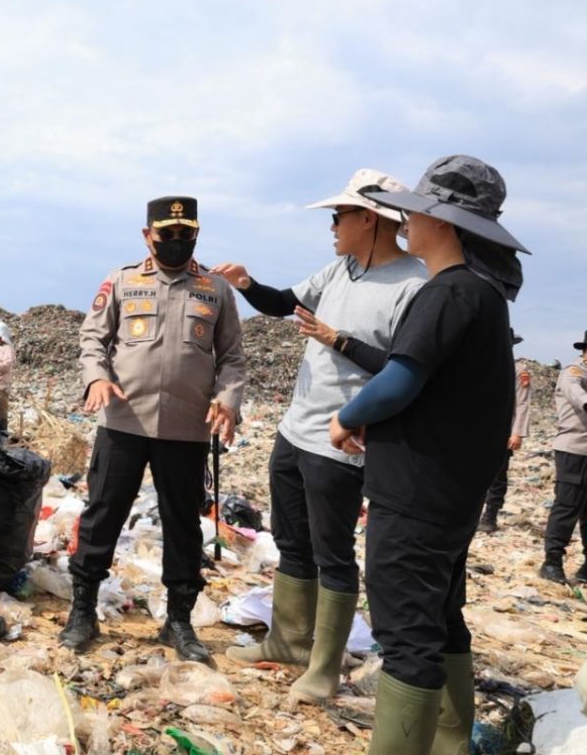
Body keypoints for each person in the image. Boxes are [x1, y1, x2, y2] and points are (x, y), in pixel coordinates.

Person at [328, 156, 527, 754]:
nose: (407, 219)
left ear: (444, 222)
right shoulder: (486, 297)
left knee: (405, 631)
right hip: (451, 494)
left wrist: (346, 418)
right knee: (440, 617)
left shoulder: (447, 293)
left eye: (418, 211)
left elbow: (398, 380)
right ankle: (450, 743)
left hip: (414, 496)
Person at [211, 169, 427, 703]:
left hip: (341, 438)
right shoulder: (342, 269)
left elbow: (407, 367)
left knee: (333, 553)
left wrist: (339, 339)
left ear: (371, 219)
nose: (332, 225)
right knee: (291, 541)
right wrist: (246, 284)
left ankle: (324, 667)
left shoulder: (414, 285)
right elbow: (285, 302)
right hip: (295, 430)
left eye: (340, 215)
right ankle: (286, 642)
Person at [63, 196, 245, 663]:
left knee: (183, 524)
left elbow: (231, 358)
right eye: (168, 235)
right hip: (124, 419)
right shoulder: (122, 281)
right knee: (103, 512)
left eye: (187, 234)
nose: (178, 242)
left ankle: (179, 622)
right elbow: (92, 338)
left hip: (186, 427)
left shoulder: (215, 289)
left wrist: (228, 398)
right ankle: (83, 609)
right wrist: (97, 377)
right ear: (148, 236)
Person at [538, 331, 587, 584]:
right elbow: (582, 400)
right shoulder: (573, 372)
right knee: (567, 506)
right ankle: (552, 562)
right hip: (574, 450)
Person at [479, 329, 531, 534]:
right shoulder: (482, 365)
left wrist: (517, 432)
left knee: (497, 476)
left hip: (502, 431)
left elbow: (523, 403)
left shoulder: (519, 370)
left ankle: (490, 516)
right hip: (477, 430)